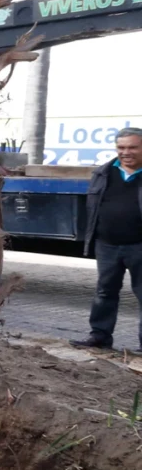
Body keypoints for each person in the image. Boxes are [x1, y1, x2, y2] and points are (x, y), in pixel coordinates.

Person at [71, 128, 142, 351]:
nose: (126, 152)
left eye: (132, 147)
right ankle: (100, 337)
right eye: (121, 147)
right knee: (104, 293)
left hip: (139, 246)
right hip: (107, 245)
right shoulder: (103, 173)